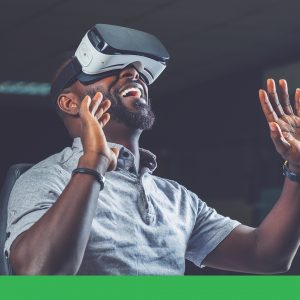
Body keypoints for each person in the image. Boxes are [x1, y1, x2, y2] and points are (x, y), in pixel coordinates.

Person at [4, 27, 300, 275]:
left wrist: (297, 168)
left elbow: (266, 253)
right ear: (70, 103)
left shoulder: (175, 198)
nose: (134, 72)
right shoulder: (44, 179)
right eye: (110, 68)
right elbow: (38, 275)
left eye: (137, 69)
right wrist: (93, 162)